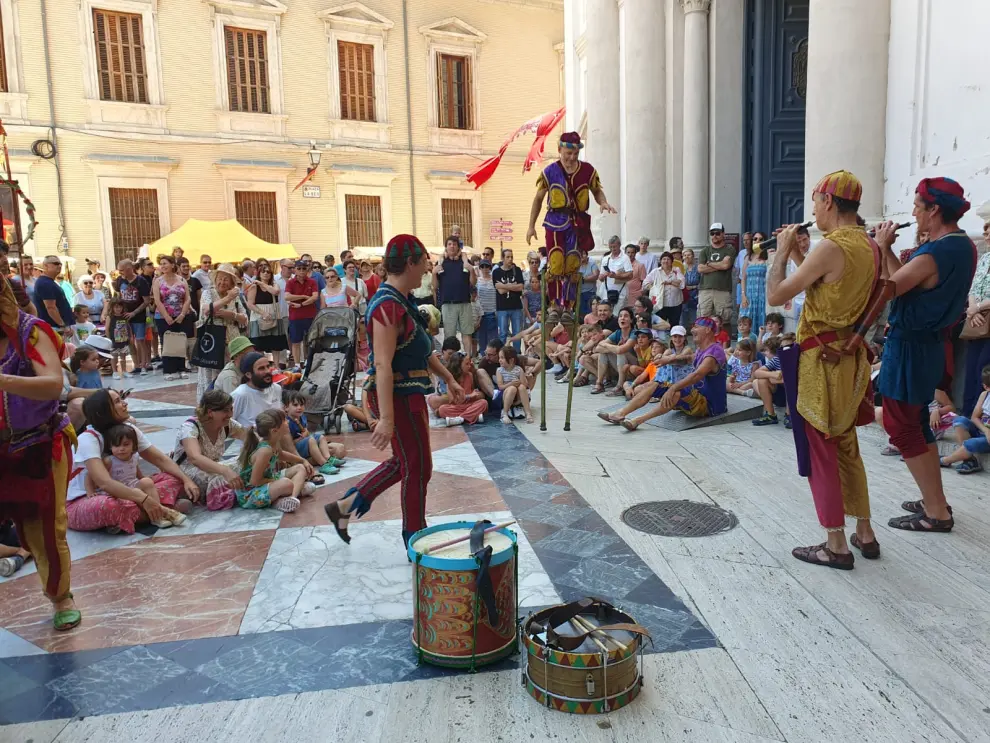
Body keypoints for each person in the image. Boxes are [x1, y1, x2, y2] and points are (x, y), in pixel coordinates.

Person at [767, 170, 877, 569]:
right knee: (847, 446)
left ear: (828, 201)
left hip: (821, 363)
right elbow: (824, 287)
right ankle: (864, 532)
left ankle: (836, 543)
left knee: (821, 448)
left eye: (815, 201)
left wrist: (780, 251)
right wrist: (800, 253)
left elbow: (779, 294)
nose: (812, 209)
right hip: (848, 359)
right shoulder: (867, 243)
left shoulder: (831, 246)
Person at [324, 234, 464, 549]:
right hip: (395, 394)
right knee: (416, 466)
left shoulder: (402, 300)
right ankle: (414, 536)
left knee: (409, 463)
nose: (428, 269)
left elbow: (423, 350)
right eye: (424, 262)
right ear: (410, 263)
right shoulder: (387, 305)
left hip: (407, 392)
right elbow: (383, 366)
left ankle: (344, 508)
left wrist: (449, 379)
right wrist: (385, 418)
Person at [875, 177, 978, 532]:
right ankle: (934, 498)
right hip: (927, 344)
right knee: (915, 422)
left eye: (918, 206)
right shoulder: (961, 245)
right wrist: (889, 251)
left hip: (911, 346)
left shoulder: (936, 252)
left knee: (901, 426)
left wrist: (878, 246)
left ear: (934, 210)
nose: (914, 213)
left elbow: (888, 289)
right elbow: (903, 281)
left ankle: (936, 511)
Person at [0, 273, 81, 630]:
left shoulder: (29, 331)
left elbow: (53, 385)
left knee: (43, 529)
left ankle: (61, 597)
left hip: (37, 445)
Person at [69, 390, 200, 533]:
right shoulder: (88, 439)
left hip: (131, 491)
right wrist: (144, 499)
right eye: (117, 401)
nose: (124, 404)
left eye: (122, 399)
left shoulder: (129, 430)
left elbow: (159, 459)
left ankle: (136, 516)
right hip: (90, 498)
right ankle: (164, 509)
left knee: (174, 478)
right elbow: (104, 483)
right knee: (107, 507)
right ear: (102, 412)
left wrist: (186, 479)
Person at [525, 131, 615, 307]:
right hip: (554, 220)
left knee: (573, 264)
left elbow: (596, 190)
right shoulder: (550, 171)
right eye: (568, 153)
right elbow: (538, 199)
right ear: (560, 150)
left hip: (576, 223)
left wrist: (603, 202)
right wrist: (531, 226)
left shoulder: (587, 170)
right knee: (556, 261)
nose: (572, 157)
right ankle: (555, 305)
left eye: (575, 153)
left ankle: (568, 305)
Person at [599, 317, 728, 430]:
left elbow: (697, 375)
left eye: (696, 327)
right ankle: (620, 413)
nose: (692, 330)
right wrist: (668, 359)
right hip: (694, 397)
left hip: (709, 406)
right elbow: (689, 358)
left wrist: (674, 387)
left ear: (707, 330)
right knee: (654, 385)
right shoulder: (702, 349)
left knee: (676, 391)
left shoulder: (715, 352)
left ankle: (638, 420)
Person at [89, 425, 186, 529]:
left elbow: (135, 469)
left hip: (132, 485)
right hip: (117, 490)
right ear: (110, 447)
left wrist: (143, 479)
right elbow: (90, 475)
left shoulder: (134, 456)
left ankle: (157, 516)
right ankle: (162, 512)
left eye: (126, 445)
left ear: (134, 446)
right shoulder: (109, 461)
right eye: (116, 446)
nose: (121, 449)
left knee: (147, 482)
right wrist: (89, 491)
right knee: (137, 493)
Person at [170, 390, 251, 511]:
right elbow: (195, 458)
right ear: (210, 412)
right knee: (221, 480)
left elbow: (251, 439)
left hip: (216, 467)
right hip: (190, 472)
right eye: (225, 411)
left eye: (231, 409)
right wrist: (225, 471)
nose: (230, 414)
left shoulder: (228, 424)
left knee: (248, 466)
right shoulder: (190, 427)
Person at [236, 408, 315, 513]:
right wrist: (279, 481)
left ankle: (292, 498)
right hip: (250, 494)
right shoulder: (265, 451)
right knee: (287, 483)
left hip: (267, 481)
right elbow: (254, 481)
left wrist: (303, 460)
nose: (288, 422)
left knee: (300, 468)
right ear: (274, 431)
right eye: (285, 421)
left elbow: (281, 454)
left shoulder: (274, 441)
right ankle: (282, 498)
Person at [196, 263, 247, 399]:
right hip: (213, 340)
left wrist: (231, 315)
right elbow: (207, 310)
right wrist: (227, 298)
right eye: (220, 278)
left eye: (226, 279)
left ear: (231, 282)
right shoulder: (208, 293)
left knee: (229, 374)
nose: (222, 282)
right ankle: (209, 404)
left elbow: (245, 318)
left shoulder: (236, 297)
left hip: (231, 343)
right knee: (211, 373)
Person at [960, 219, 990, 416]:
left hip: (985, 314)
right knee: (971, 368)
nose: (986, 237)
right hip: (976, 318)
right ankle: (967, 414)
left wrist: (977, 307)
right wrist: (972, 309)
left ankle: (982, 416)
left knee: (984, 368)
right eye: (985, 233)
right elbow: (974, 286)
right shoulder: (985, 258)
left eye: (989, 233)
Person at [937, 366, 990, 474]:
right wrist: (986, 431)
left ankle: (944, 460)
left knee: (971, 443)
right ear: (986, 387)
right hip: (983, 431)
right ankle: (969, 460)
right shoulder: (984, 396)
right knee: (959, 420)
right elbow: (974, 417)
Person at [152, 255, 193, 381]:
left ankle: (181, 368)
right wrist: (166, 316)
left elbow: (187, 298)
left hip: (180, 315)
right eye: (161, 264)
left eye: (165, 263)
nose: (163, 266)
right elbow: (157, 301)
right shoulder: (158, 281)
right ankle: (168, 370)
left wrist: (182, 314)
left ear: (172, 265)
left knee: (180, 341)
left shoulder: (181, 280)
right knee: (167, 342)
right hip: (163, 316)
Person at [284, 391, 346, 473]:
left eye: (301, 405)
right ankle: (323, 464)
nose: (299, 407)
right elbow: (288, 445)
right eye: (295, 405)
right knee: (311, 440)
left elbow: (306, 431)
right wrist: (301, 439)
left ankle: (328, 458)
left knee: (320, 436)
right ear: (286, 408)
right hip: (296, 450)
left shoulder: (302, 417)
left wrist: (306, 433)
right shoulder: (287, 423)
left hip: (304, 444)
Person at [435, 236, 477, 358]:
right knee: (449, 335)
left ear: (458, 247)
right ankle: (449, 360)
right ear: (446, 247)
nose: (452, 246)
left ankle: (468, 357)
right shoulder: (441, 262)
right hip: (448, 303)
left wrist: (472, 271)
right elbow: (435, 286)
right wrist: (433, 273)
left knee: (467, 333)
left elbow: (473, 283)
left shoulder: (465, 262)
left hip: (464, 302)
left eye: (454, 244)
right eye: (449, 244)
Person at [110, 259, 152, 376]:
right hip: (123, 316)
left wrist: (134, 312)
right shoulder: (120, 280)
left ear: (129, 269)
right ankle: (136, 365)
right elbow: (118, 296)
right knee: (129, 341)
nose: (120, 273)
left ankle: (144, 365)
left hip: (138, 316)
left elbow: (147, 301)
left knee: (140, 340)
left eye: (122, 270)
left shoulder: (141, 281)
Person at [429, 352, 488, 424]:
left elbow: (473, 391)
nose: (469, 366)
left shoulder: (470, 375)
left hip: (469, 405)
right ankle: (472, 416)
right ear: (458, 365)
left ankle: (460, 419)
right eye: (466, 364)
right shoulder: (451, 379)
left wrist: (476, 394)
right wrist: (469, 396)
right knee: (442, 409)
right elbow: (452, 399)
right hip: (456, 407)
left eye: (470, 363)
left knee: (483, 403)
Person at [246, 260, 289, 357]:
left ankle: (276, 367)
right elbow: (250, 304)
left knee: (275, 344)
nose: (266, 273)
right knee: (259, 345)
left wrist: (262, 283)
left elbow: (275, 292)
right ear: (259, 273)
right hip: (258, 317)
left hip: (274, 316)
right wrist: (263, 313)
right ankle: (262, 365)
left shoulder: (274, 284)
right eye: (263, 271)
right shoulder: (254, 287)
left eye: (268, 272)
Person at [697, 223, 736, 328]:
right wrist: (719, 265)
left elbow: (726, 265)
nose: (714, 236)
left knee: (724, 320)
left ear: (723, 234)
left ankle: (724, 344)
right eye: (712, 233)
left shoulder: (729, 249)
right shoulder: (705, 250)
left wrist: (709, 264)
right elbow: (700, 268)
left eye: (717, 233)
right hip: (705, 289)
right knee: (702, 319)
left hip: (723, 289)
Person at [231, 352, 284, 427]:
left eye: (268, 366)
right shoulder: (240, 394)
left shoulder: (276, 388)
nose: (267, 371)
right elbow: (229, 423)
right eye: (261, 368)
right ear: (248, 374)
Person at [492, 248, 525, 349]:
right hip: (502, 307)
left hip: (516, 307)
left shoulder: (517, 270)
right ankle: (502, 354)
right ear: (502, 258)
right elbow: (499, 290)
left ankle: (517, 353)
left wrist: (504, 285)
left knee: (517, 333)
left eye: (511, 257)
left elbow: (520, 287)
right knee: (502, 333)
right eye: (508, 257)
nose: (510, 259)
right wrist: (513, 286)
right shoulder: (496, 272)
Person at [34, 255, 74, 334]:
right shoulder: (45, 283)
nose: (59, 266)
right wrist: (63, 326)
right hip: (55, 328)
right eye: (55, 263)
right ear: (45, 266)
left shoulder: (50, 282)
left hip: (57, 327)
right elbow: (51, 307)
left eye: (60, 264)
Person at [644, 251, 685, 327]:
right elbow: (645, 283)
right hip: (660, 304)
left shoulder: (676, 270)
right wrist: (655, 288)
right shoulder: (655, 272)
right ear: (661, 261)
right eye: (664, 259)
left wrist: (669, 282)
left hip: (675, 304)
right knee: (660, 325)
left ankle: (674, 338)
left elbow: (682, 284)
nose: (666, 261)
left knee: (674, 324)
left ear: (672, 261)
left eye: (668, 259)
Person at [496, 345, 533, 424]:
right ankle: (504, 413)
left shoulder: (518, 369)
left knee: (522, 387)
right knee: (512, 388)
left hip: (518, 396)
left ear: (511, 360)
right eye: (499, 358)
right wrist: (511, 384)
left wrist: (520, 381)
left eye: (502, 358)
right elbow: (500, 387)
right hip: (505, 394)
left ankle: (528, 413)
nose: (500, 360)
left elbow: (525, 384)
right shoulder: (499, 370)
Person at [740, 239, 768, 332]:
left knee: (762, 322)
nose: (757, 241)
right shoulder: (748, 257)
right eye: (755, 239)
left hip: (763, 296)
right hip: (749, 297)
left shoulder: (768, 256)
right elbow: (743, 278)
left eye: (761, 239)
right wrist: (743, 295)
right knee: (746, 323)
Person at [600, 236, 632, 308]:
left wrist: (616, 276)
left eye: (614, 247)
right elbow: (600, 278)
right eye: (610, 247)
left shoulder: (625, 258)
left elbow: (630, 275)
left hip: (620, 293)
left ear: (619, 245)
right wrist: (602, 276)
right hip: (606, 293)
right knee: (606, 315)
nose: (612, 249)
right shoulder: (605, 258)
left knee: (617, 316)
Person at [682, 247, 700, 329]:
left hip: (695, 294)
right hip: (683, 294)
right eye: (685, 255)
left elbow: (702, 282)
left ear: (693, 256)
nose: (687, 257)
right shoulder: (681, 268)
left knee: (694, 315)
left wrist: (693, 287)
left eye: (689, 255)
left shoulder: (698, 268)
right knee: (683, 314)